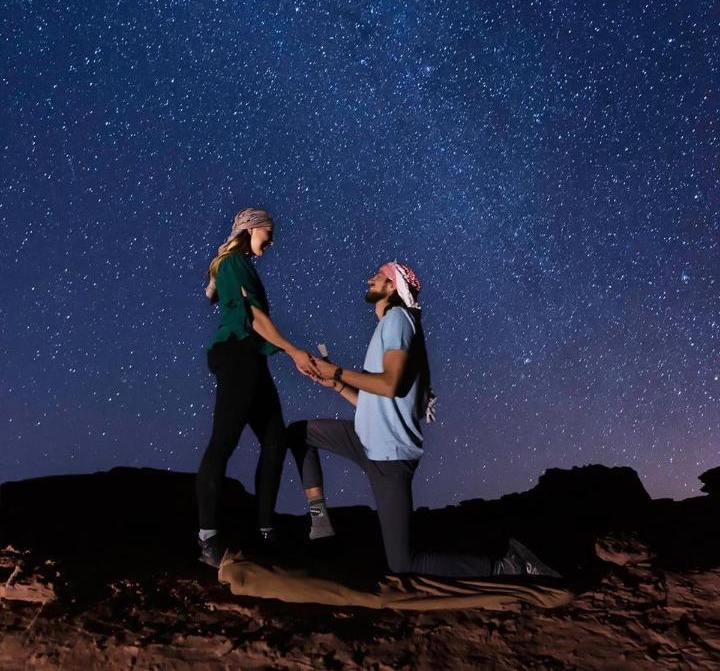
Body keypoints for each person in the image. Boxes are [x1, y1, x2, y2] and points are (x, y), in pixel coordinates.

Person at [288, 262, 559, 578]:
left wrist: (334, 370)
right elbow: (374, 404)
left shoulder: (398, 320)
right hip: (365, 438)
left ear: (391, 286)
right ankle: (320, 525)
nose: (369, 278)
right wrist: (335, 383)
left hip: (389, 456)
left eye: (377, 275)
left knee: (402, 563)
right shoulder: (387, 327)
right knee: (299, 433)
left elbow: (389, 384)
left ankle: (508, 566)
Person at [196, 207, 313, 568]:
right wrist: (294, 351)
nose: (272, 240)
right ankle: (208, 538)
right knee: (224, 441)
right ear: (251, 230)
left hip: (252, 357)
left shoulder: (241, 264)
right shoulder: (232, 262)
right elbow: (255, 316)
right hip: (236, 355)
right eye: (268, 233)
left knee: (275, 439)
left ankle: (266, 530)